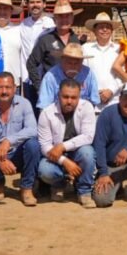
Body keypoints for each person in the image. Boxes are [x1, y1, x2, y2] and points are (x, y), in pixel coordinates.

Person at [0, 72, 41, 206]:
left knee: (33, 144)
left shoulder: (24, 104)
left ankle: (26, 188)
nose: (4, 91)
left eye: (8, 87)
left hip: (18, 154)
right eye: (0, 87)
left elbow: (33, 129)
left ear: (14, 88)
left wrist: (9, 141)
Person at [38, 78, 98, 208]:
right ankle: (59, 184)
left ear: (79, 96)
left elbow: (88, 136)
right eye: (65, 97)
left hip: (77, 152)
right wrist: (65, 161)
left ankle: (84, 191)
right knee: (44, 170)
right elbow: (45, 146)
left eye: (73, 97)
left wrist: (63, 146)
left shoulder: (87, 107)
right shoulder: (46, 113)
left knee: (87, 152)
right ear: (58, 95)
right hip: (56, 156)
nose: (69, 101)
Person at [27, 0, 84, 98]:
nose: (64, 20)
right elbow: (31, 64)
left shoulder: (76, 40)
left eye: (67, 16)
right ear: (55, 19)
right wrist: (40, 87)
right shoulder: (45, 39)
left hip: (72, 94)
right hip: (51, 93)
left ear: (72, 18)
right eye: (60, 16)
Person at [38, 42, 99, 110]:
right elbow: (44, 107)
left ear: (82, 62)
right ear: (62, 60)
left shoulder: (88, 74)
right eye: (69, 63)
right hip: (57, 114)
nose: (73, 66)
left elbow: (94, 101)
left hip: (82, 113)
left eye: (76, 63)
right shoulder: (50, 77)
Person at [18, 0, 55, 101]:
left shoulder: (50, 24)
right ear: (27, 5)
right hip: (26, 76)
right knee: (30, 107)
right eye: (32, 2)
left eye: (38, 2)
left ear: (44, 4)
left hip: (44, 76)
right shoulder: (23, 24)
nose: (35, 5)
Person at [83, 12, 123, 112]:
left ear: (112, 30)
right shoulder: (86, 49)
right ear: (94, 30)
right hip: (91, 103)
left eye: (107, 27)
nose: (105, 30)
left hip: (114, 102)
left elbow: (123, 74)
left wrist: (111, 90)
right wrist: (95, 92)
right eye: (101, 27)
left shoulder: (119, 49)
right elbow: (82, 74)